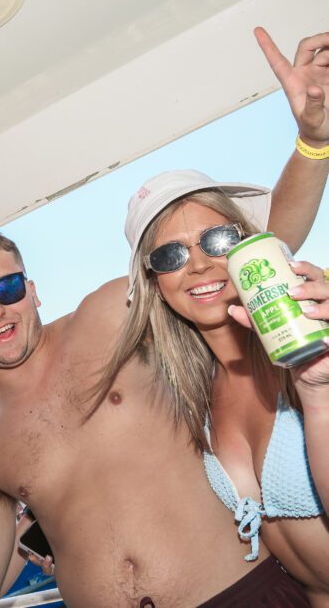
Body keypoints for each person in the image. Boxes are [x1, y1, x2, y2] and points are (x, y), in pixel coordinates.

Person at [0, 28, 329, 607]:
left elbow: (241, 260)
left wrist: (313, 143)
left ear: (33, 290)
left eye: (7, 286)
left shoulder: (105, 320)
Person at [111, 166, 329, 603]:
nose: (197, 264)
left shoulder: (312, 349)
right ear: (156, 284)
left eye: (218, 240)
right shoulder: (194, 398)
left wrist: (319, 395)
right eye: (170, 255)